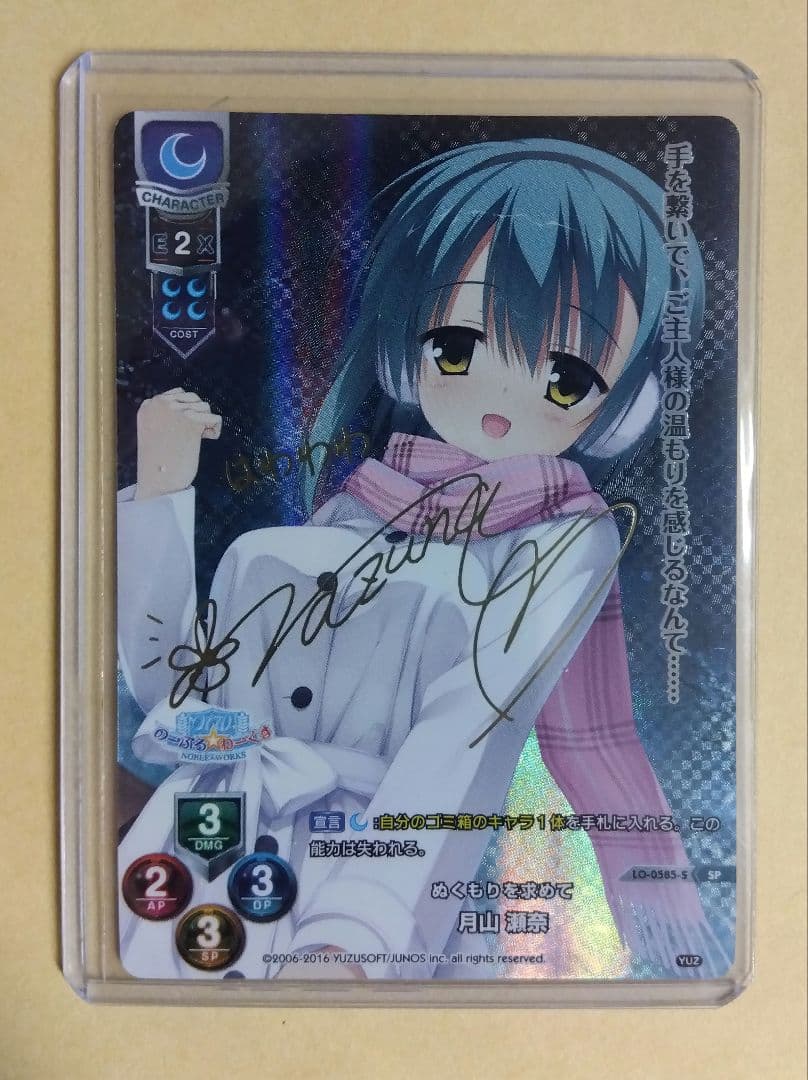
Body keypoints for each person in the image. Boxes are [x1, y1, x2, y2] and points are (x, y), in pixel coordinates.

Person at [117, 139, 724, 980]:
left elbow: (468, 732)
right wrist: (160, 490)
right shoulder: (358, 504)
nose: (498, 407)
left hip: (384, 880)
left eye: (565, 379)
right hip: (207, 857)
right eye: (457, 349)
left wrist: (357, 931)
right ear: (408, 351)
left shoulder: (562, 540)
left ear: (625, 409)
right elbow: (174, 693)